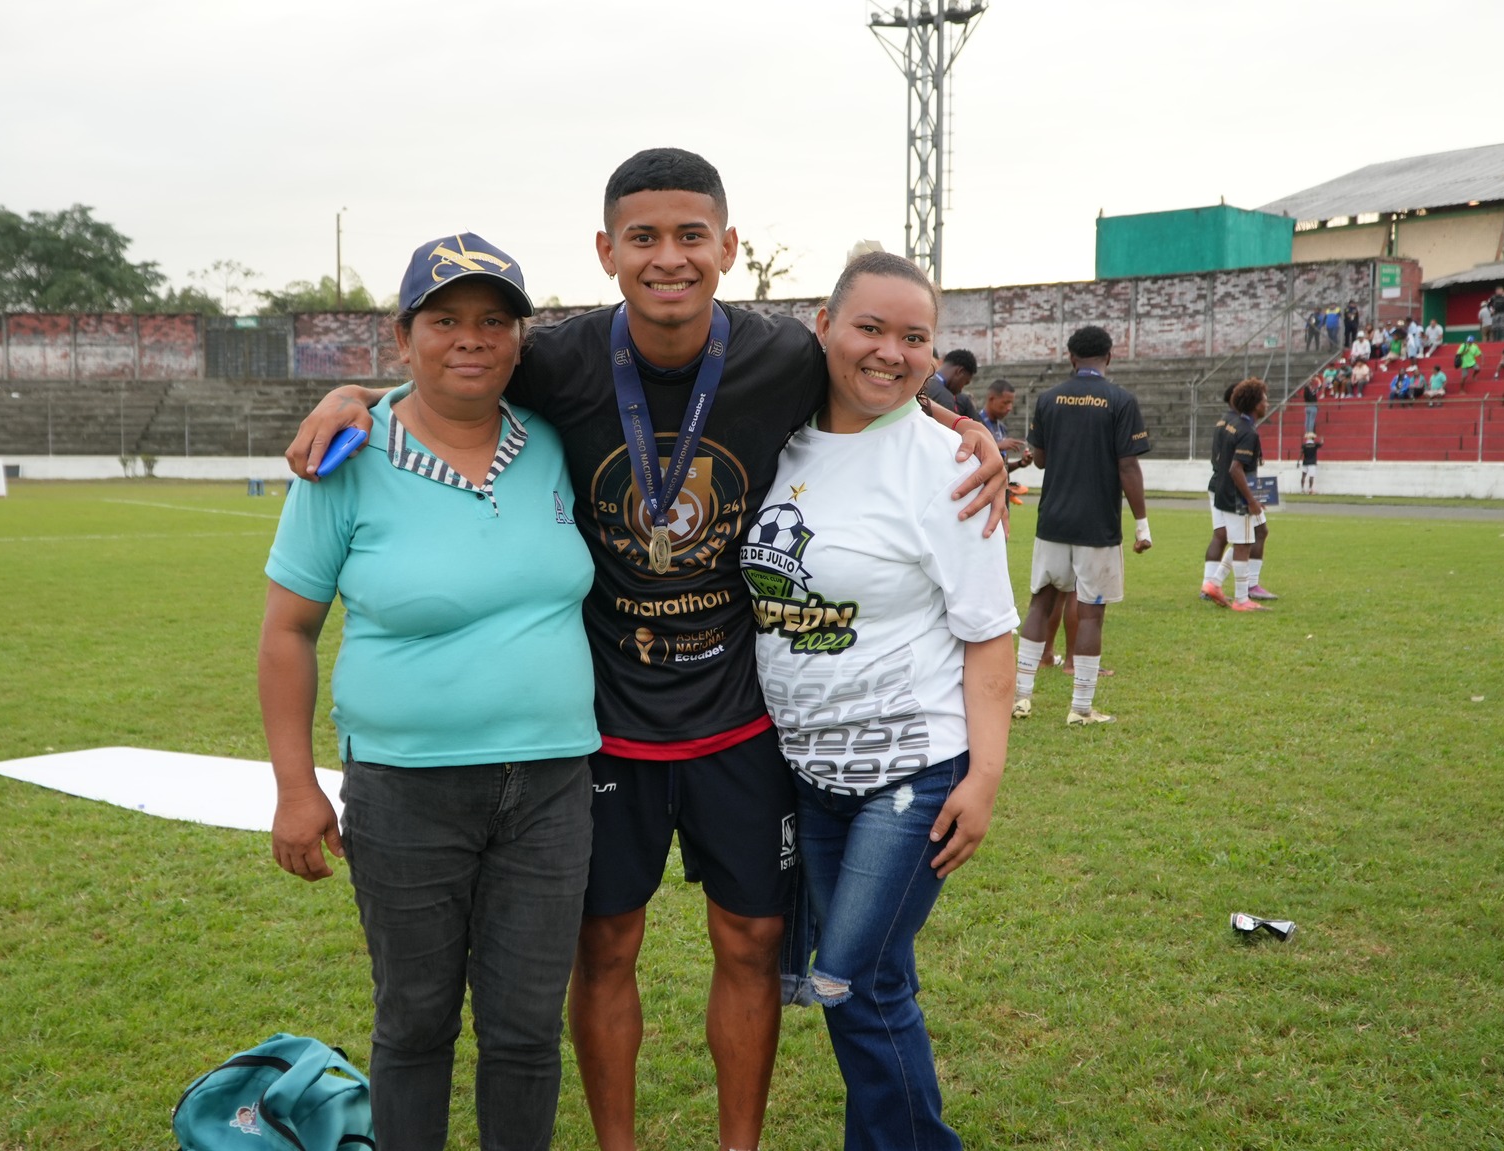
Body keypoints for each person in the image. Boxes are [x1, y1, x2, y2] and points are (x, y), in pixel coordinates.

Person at [281, 148, 1008, 1151]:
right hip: (605, 721)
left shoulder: (777, 357)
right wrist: (352, 395)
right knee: (604, 942)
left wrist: (951, 421)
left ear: (727, 246)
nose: (667, 256)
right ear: (606, 250)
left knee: (750, 938)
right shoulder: (559, 359)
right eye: (643, 237)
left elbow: (871, 376)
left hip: (738, 715)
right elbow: (456, 355)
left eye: (689, 235)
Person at [259, 233, 599, 1149]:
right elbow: (288, 632)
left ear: (520, 340)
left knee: (526, 1030)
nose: (471, 339)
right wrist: (296, 789)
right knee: (414, 1024)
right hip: (407, 788)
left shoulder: (556, 444)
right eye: (444, 320)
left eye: (494, 320)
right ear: (403, 335)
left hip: (554, 785)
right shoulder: (348, 456)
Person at [743, 250, 1015, 1151]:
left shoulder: (951, 465)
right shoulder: (768, 436)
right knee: (876, 979)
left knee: (851, 980)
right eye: (870, 327)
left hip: (913, 773)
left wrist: (984, 777)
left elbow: (988, 633)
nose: (892, 352)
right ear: (823, 325)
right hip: (812, 776)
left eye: (916, 337)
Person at [1012, 324, 1149, 724]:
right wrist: (1142, 525)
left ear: (1071, 357)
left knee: (1042, 601)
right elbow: (1128, 465)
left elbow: (1038, 458)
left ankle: (1020, 699)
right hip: (1097, 526)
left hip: (1052, 520)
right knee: (1091, 612)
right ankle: (1081, 709)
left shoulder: (1049, 398)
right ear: (1108, 357)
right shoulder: (1121, 401)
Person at [1199, 378, 1270, 612]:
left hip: (1223, 491)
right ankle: (1242, 599)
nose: (1267, 403)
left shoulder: (1229, 423)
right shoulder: (1247, 431)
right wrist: (1251, 500)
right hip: (1235, 495)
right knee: (1243, 543)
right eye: (1264, 399)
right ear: (1254, 404)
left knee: (1241, 539)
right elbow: (1236, 468)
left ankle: (1214, 583)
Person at [977, 377, 1025, 465]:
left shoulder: (1002, 428)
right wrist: (999, 446)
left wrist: (1021, 463)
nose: (1009, 408)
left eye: (1011, 403)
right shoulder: (976, 423)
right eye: (1006, 403)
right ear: (991, 399)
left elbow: (1002, 468)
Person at [926, 348, 979, 420]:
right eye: (965, 382)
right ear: (960, 372)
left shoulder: (921, 384)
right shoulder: (945, 398)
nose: (961, 390)